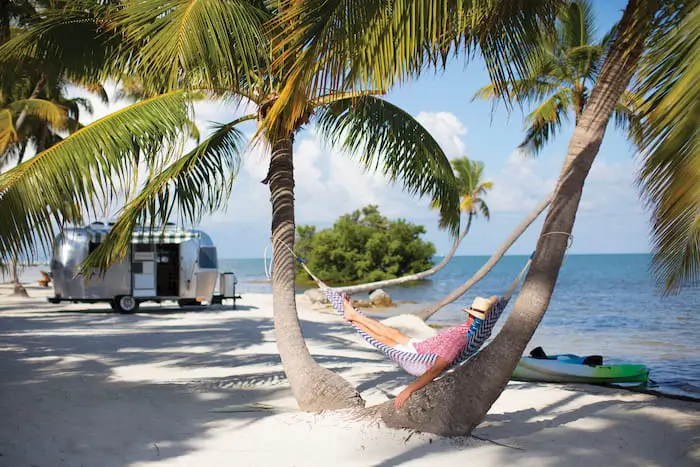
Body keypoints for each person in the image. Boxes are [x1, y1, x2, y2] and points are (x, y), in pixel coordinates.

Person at [341, 294, 499, 409]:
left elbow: (436, 368)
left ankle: (353, 318)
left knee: (382, 338)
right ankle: (353, 314)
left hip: (419, 360)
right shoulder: (471, 330)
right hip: (422, 348)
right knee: (390, 332)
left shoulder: (459, 338)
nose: (470, 316)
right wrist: (490, 305)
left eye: (472, 314)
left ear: (471, 315)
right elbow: (495, 298)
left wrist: (408, 390)